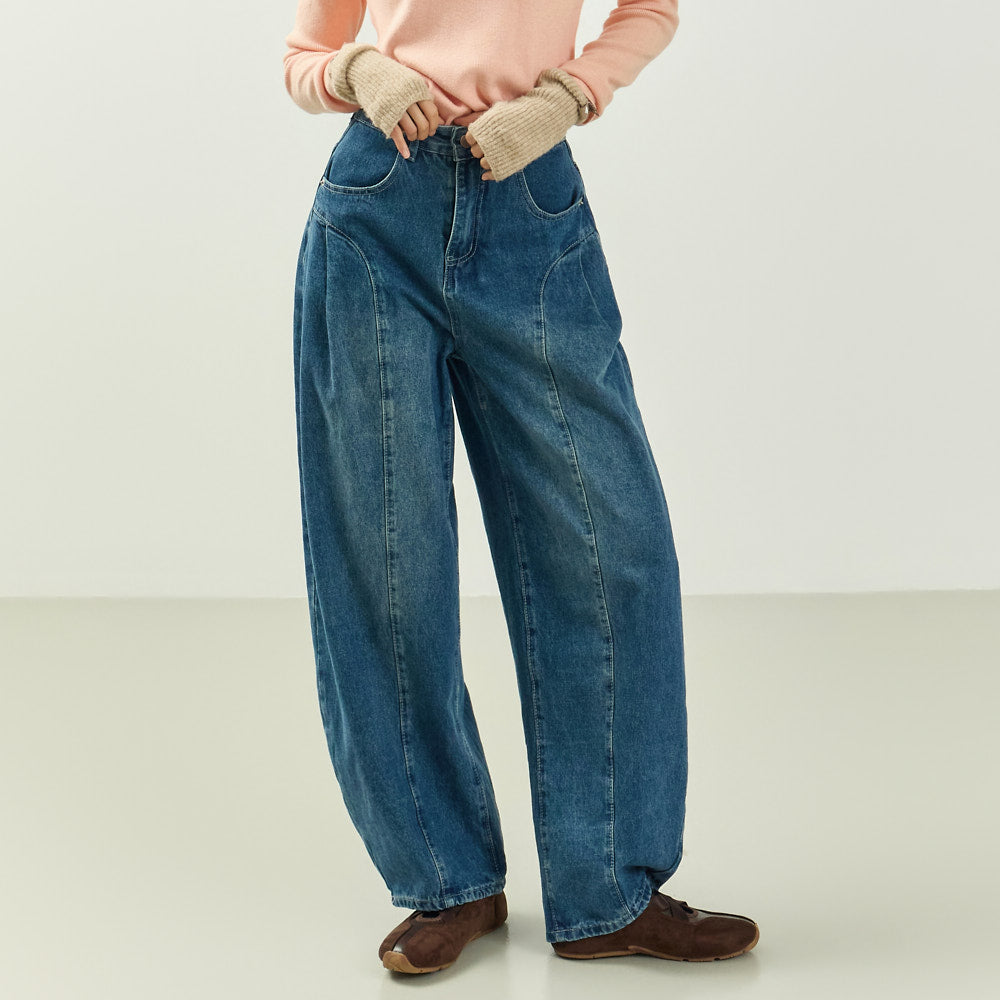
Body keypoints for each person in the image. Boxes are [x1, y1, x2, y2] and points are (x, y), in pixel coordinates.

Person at [283, 0, 759, 974]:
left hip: (529, 199)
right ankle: (447, 880)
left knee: (608, 546)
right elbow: (306, 55)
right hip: (376, 205)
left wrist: (565, 98)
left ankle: (608, 893)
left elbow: (650, 10)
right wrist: (360, 74)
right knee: (386, 557)